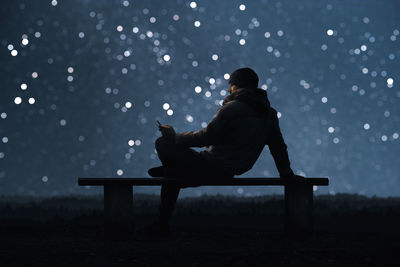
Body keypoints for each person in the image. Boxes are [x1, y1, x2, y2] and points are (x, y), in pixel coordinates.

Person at [146, 67, 302, 236]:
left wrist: (174, 137)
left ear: (237, 85)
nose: (228, 89)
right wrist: (286, 173)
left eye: (230, 85)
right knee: (173, 173)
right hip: (232, 170)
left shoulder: (232, 109)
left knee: (162, 144)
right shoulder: (269, 115)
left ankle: (163, 216)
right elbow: (278, 147)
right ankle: (175, 171)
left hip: (211, 165)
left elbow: (205, 138)